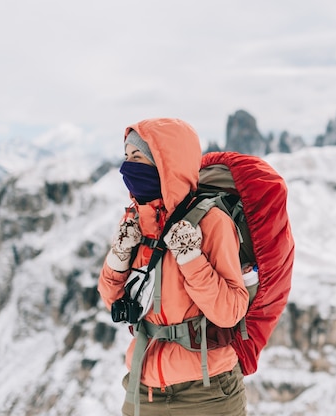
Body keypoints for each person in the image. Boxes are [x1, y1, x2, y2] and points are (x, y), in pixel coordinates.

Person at [98, 118, 249, 416]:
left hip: (207, 393)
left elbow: (231, 311)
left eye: (138, 157)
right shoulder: (136, 221)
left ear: (165, 164)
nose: (128, 167)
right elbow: (113, 301)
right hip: (143, 387)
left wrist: (191, 259)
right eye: (126, 157)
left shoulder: (212, 222)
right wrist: (118, 256)